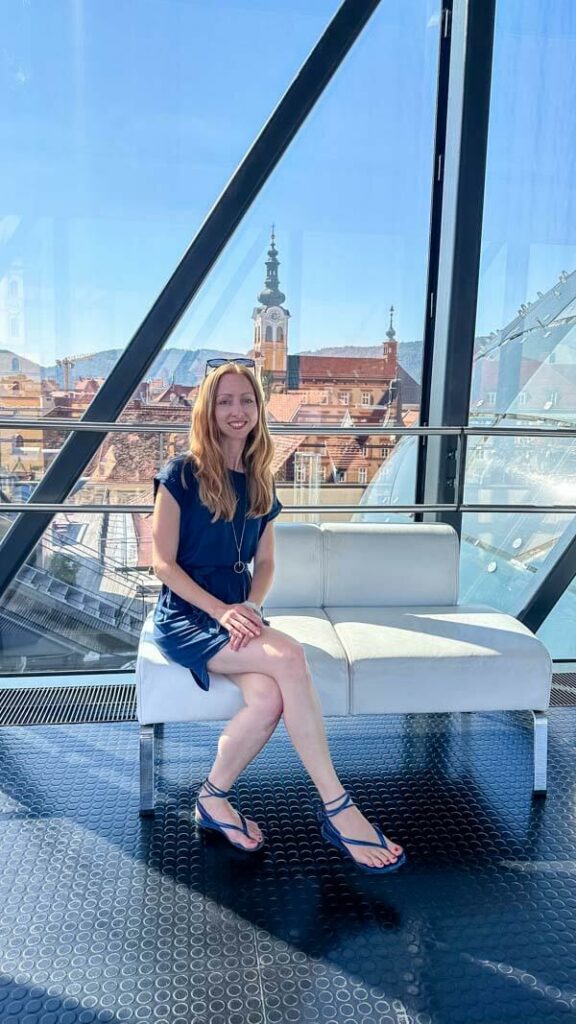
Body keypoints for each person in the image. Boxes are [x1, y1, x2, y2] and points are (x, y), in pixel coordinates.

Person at [151, 358, 406, 874]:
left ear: (258, 409)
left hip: (238, 613)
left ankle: (212, 798)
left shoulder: (260, 478)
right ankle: (338, 808)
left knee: (267, 698)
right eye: (225, 401)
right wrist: (222, 610)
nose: (237, 410)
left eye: (246, 400)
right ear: (209, 409)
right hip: (188, 615)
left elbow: (265, 563)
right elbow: (163, 563)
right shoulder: (182, 473)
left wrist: (250, 605)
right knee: (290, 656)